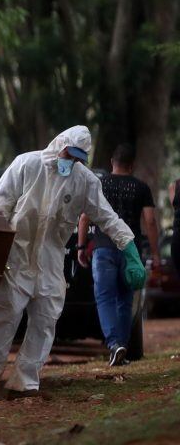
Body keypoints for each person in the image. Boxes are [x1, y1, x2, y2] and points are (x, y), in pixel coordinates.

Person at [0, 126, 142, 399]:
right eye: (68, 154)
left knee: (46, 318)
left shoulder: (84, 181)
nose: (70, 162)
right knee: (1, 314)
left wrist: (129, 247)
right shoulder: (27, 164)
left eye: (77, 158)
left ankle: (24, 382)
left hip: (50, 258)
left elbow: (106, 217)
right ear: (58, 144)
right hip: (16, 253)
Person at [77, 144, 159, 366]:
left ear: (112, 162)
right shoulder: (141, 187)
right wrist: (155, 253)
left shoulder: (100, 184)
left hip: (103, 248)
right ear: (132, 166)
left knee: (104, 298)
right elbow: (150, 221)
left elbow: (85, 217)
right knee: (125, 300)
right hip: (131, 251)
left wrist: (81, 247)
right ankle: (121, 344)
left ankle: (114, 345)